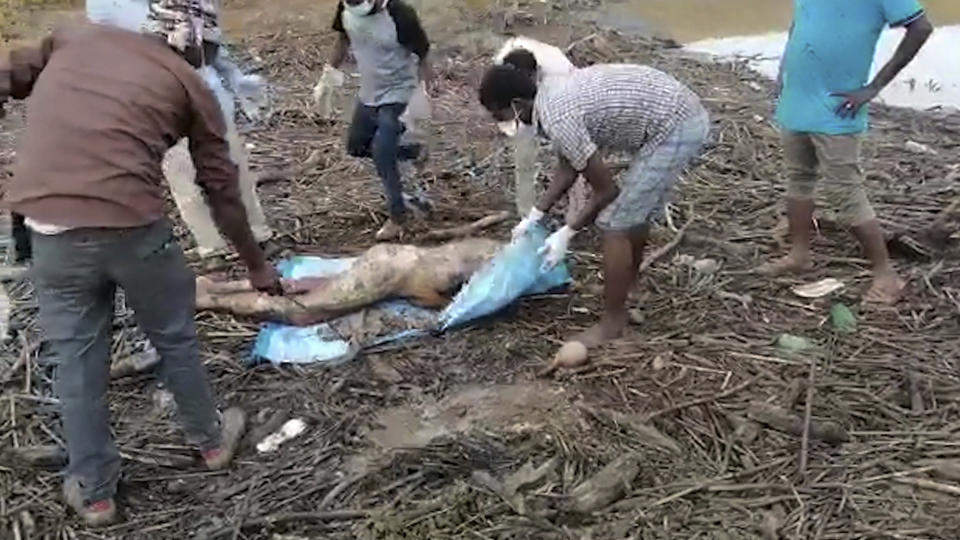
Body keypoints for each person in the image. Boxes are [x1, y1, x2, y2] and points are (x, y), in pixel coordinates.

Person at [0, 1, 283, 526]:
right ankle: (211, 441)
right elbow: (221, 191)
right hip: (134, 229)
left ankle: (96, 492)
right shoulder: (191, 84)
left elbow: (9, 74)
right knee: (174, 335)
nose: (213, 56)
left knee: (77, 362)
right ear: (195, 35)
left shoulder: (72, 37)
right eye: (212, 45)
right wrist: (257, 266)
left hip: (49, 231)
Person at [479, 62, 709, 348]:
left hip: (676, 126)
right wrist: (535, 216)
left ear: (516, 104)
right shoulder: (548, 96)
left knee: (614, 224)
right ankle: (629, 285)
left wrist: (567, 233)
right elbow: (569, 165)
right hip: (672, 114)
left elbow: (606, 190)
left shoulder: (557, 117)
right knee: (633, 212)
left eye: (500, 115)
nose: (501, 123)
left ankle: (612, 323)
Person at [762, 0, 933, 304]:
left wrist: (874, 87)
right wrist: (782, 72)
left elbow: (921, 28)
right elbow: (798, 25)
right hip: (796, 100)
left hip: (838, 108)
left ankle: (886, 275)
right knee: (798, 180)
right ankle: (799, 255)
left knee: (846, 193)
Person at [85, 0, 275, 259]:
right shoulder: (106, 4)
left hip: (204, 91)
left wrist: (234, 78)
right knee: (181, 174)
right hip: (154, 95)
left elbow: (211, 42)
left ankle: (257, 234)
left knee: (231, 163)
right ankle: (211, 247)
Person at [195, 237, 502, 325]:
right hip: (387, 273)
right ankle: (211, 299)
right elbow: (430, 297)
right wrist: (443, 307)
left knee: (319, 287)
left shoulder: (491, 249)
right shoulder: (494, 281)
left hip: (393, 257)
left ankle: (221, 287)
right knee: (304, 312)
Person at [323, 0, 433, 241]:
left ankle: (398, 217)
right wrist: (328, 75)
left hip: (399, 90)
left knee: (382, 151)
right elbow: (343, 38)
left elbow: (423, 53)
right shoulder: (346, 8)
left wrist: (422, 94)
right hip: (370, 92)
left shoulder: (399, 14)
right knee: (357, 145)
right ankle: (413, 151)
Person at [492, 38, 590, 225]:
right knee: (524, 157)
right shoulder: (502, 70)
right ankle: (527, 216)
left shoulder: (559, 72)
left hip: (565, 103)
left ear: (533, 75)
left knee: (574, 155)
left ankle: (576, 213)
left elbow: (573, 119)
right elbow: (500, 104)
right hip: (524, 106)